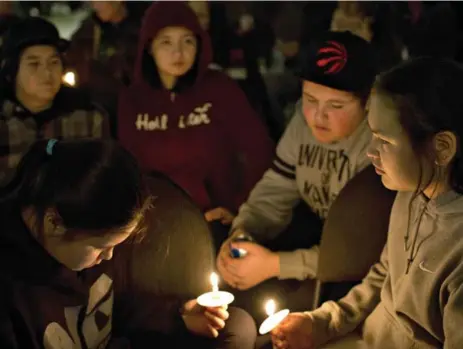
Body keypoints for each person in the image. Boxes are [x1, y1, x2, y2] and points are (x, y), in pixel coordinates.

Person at [271, 57, 463, 349]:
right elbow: (385, 275)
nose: (371, 151)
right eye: (371, 136)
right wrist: (323, 322)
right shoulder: (410, 194)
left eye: (383, 140)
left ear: (442, 147)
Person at [0, 138, 257, 349]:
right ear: (54, 223)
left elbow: (129, 311)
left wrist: (181, 318)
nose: (110, 257)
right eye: (101, 248)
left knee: (236, 325)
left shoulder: (89, 243)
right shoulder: (14, 285)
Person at [216, 32, 376, 294]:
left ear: (368, 102)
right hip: (321, 251)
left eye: (335, 105)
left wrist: (277, 265)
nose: (317, 116)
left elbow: (365, 249)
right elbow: (276, 189)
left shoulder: (379, 144)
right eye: (310, 100)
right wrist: (243, 233)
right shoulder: (302, 125)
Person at [118, 2, 273, 218]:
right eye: (166, 42)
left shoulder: (219, 88)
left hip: (214, 218)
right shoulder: (132, 99)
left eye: (187, 41)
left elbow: (260, 151)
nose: (178, 52)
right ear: (149, 47)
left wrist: (238, 207)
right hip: (153, 221)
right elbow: (125, 169)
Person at [0, 17, 109, 187]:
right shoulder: (4, 122)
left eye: (54, 62)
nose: (47, 73)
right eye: (34, 64)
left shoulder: (88, 118)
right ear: (11, 71)